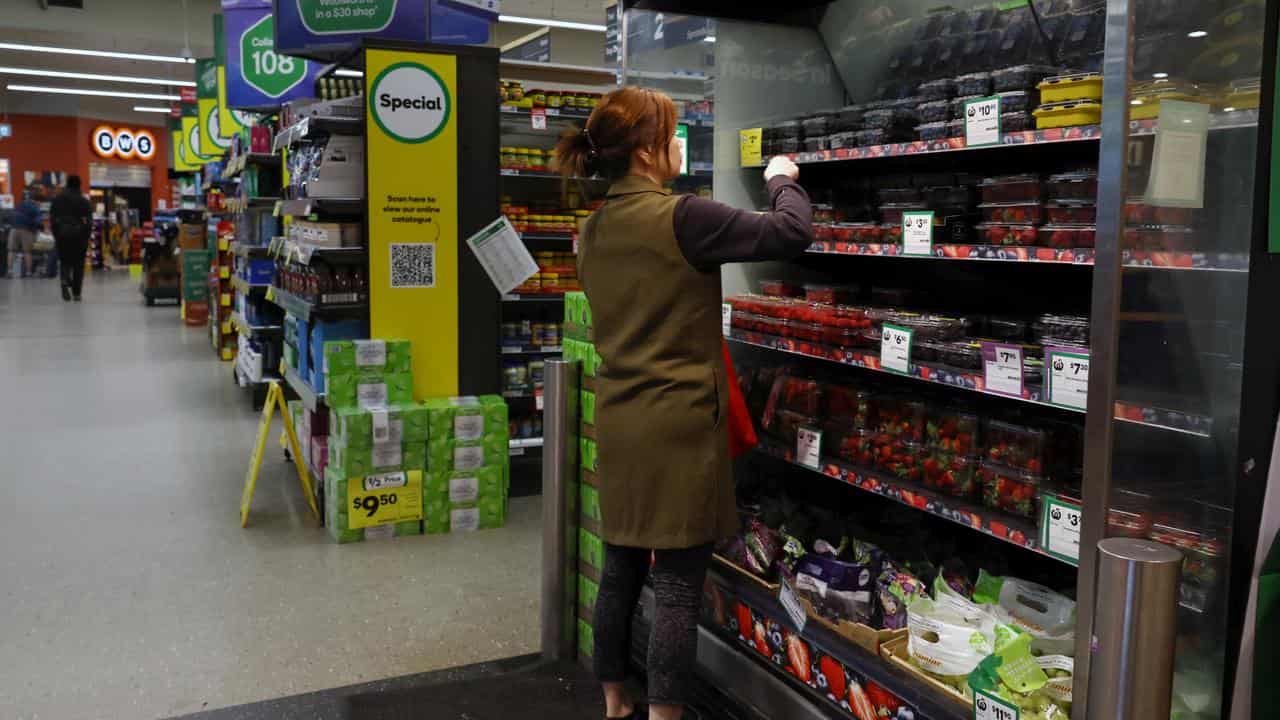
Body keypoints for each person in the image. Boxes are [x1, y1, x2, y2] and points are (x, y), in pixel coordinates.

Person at [555, 87, 813, 720]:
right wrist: (781, 179)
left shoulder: (591, 229)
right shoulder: (683, 216)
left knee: (620, 567)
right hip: (680, 426)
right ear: (646, 151)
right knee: (675, 584)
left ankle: (617, 698)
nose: (677, 147)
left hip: (621, 418)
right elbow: (791, 233)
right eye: (671, 136)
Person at [50, 175, 92, 301]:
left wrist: (56, 235)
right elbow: (89, 221)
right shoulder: (83, 200)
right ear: (79, 185)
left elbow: (52, 219)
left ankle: (64, 283)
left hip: (62, 235)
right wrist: (86, 236)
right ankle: (77, 293)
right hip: (79, 236)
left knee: (65, 262)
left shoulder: (57, 199)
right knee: (78, 264)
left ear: (67, 184)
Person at [8, 184, 42, 278]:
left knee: (11, 251)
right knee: (27, 252)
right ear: (37, 200)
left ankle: (10, 272)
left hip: (14, 228)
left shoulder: (20, 203)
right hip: (26, 230)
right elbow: (38, 222)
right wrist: (40, 228)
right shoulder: (35, 207)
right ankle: (28, 273)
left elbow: (12, 215)